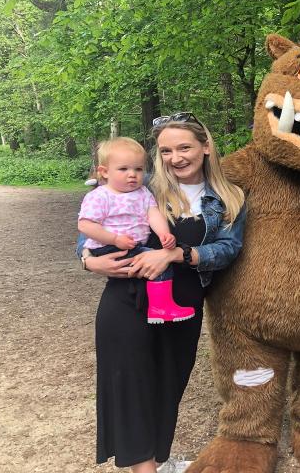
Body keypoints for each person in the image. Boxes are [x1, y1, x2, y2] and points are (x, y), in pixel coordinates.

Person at [78, 113, 247, 473]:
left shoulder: (230, 198)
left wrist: (176, 254)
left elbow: (229, 250)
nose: (175, 157)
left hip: (184, 301)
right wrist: (88, 260)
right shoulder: (142, 184)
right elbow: (93, 224)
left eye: (184, 147)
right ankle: (145, 468)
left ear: (205, 147)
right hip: (127, 296)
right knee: (131, 381)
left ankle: (155, 458)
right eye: (166, 150)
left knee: (169, 382)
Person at [77, 137, 195, 324]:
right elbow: (85, 225)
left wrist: (165, 234)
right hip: (109, 247)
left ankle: (156, 307)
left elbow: (153, 214)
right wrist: (114, 239)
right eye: (123, 169)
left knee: (154, 260)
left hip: (130, 245)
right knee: (160, 264)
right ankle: (160, 307)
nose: (132, 175)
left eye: (138, 169)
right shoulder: (100, 196)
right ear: (104, 172)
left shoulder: (143, 192)